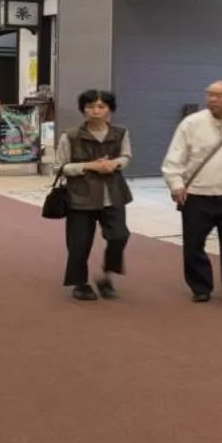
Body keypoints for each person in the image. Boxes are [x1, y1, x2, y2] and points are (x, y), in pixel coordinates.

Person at [163, 80, 222, 305]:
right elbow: (175, 156)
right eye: (210, 95)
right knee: (194, 243)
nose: (212, 99)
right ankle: (200, 287)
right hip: (197, 194)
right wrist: (176, 184)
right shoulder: (191, 123)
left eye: (219, 95)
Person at [56, 89, 132, 302]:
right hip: (81, 196)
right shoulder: (70, 135)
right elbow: (60, 167)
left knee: (120, 236)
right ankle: (80, 284)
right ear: (83, 110)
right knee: (78, 243)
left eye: (101, 106)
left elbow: (126, 156)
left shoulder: (120, 132)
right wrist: (89, 166)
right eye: (90, 107)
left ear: (110, 109)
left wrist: (114, 163)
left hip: (113, 194)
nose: (95, 111)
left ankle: (106, 275)